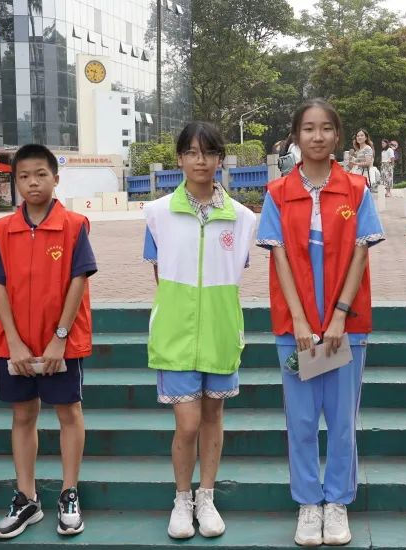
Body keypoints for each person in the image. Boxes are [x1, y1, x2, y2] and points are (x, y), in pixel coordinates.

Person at [257, 99, 385, 547]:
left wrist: (339, 317)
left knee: (343, 420)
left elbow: (361, 253)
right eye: (308, 128)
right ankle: (309, 503)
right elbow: (279, 257)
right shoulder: (277, 192)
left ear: (337, 136)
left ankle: (338, 502)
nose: (317, 136)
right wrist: (299, 319)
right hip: (295, 329)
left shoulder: (356, 189)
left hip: (347, 326)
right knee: (302, 420)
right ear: (296, 136)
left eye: (326, 128)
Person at [143, 122, 256, 540]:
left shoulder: (242, 218)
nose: (200, 160)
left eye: (208, 152)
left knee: (213, 417)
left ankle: (206, 497)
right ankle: (182, 498)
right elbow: (160, 274)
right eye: (191, 152)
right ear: (179, 159)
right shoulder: (158, 213)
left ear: (220, 159)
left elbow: (233, 271)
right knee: (187, 423)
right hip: (175, 335)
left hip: (221, 332)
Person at [0, 143, 97, 540]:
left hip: (61, 343)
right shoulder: (3, 229)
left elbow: (78, 281)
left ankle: (69, 493)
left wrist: (59, 338)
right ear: (15, 181)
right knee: (22, 415)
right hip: (16, 345)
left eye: (41, 175)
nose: (33, 182)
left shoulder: (74, 225)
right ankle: (27, 497)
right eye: (24, 176)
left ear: (56, 178)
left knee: (69, 413)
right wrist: (13, 342)